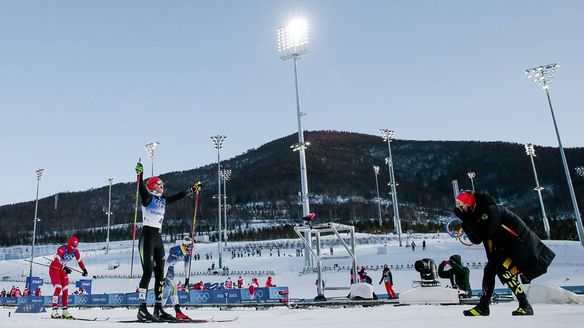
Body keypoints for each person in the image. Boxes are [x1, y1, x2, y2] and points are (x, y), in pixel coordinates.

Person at [454, 191, 555, 316]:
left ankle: (525, 305)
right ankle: (483, 306)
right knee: (489, 270)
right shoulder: (474, 215)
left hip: (519, 245)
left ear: (469, 203)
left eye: (462, 204)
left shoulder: (490, 210)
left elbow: (484, 234)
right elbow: (476, 239)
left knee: (502, 268)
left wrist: (466, 219)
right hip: (505, 247)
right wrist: (465, 223)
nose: (460, 207)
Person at [134, 161, 199, 322]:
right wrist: (140, 174)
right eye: (158, 183)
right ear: (152, 186)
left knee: (160, 275)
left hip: (157, 238)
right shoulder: (147, 198)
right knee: (148, 272)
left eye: (162, 183)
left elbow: (178, 196)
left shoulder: (163, 200)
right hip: (147, 237)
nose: (162, 185)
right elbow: (141, 188)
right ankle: (142, 309)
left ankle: (158, 308)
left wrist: (192, 190)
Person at [49, 236, 88, 319]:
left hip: (62, 269)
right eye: (73, 246)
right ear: (70, 244)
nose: (74, 248)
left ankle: (65, 311)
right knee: (58, 287)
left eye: (76, 246)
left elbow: (80, 262)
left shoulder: (76, 252)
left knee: (65, 289)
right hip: (54, 268)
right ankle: (54, 311)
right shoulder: (62, 249)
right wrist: (63, 267)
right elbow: (56, 261)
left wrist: (84, 269)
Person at [160, 237, 194, 321]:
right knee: (174, 287)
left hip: (171, 270)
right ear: (184, 245)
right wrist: (163, 279)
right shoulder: (176, 250)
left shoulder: (187, 253)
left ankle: (159, 310)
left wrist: (186, 280)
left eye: (192, 248)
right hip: (164, 268)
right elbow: (166, 264)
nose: (190, 250)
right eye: (189, 247)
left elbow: (186, 266)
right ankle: (178, 312)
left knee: (167, 291)